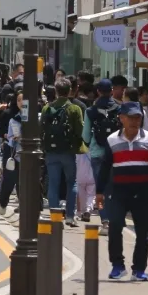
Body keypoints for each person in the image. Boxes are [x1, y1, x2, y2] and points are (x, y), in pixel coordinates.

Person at [96, 102, 148, 282]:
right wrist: (99, 191)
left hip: (143, 192)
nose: (135, 121)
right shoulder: (112, 140)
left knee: (143, 233)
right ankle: (117, 265)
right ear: (122, 118)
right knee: (115, 227)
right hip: (119, 191)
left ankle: (139, 269)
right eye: (131, 117)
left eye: (138, 118)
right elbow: (105, 167)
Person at [41, 78, 83, 226]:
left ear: (56, 91)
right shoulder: (74, 109)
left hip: (51, 151)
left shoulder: (47, 108)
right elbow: (80, 131)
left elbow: (42, 129)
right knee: (72, 182)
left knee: (53, 183)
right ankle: (70, 216)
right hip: (68, 151)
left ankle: (55, 216)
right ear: (71, 90)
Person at [83, 79, 120, 233]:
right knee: (116, 188)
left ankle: (106, 222)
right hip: (117, 152)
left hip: (97, 153)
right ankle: (116, 219)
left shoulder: (91, 111)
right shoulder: (120, 108)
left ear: (98, 91)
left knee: (102, 189)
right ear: (112, 90)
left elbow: (85, 136)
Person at [0, 90, 22, 215]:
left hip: (27, 152)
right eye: (18, 100)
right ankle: (2, 203)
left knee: (24, 180)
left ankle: (25, 206)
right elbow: (3, 131)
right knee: (9, 179)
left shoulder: (35, 115)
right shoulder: (10, 115)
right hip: (12, 151)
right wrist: (10, 137)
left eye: (24, 100)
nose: (21, 103)